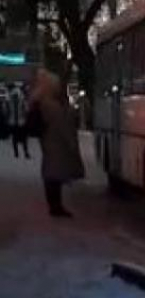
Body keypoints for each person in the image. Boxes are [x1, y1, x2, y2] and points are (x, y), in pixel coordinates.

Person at [27, 69, 85, 217]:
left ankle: (54, 205)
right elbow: (62, 125)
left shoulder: (39, 102)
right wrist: (71, 143)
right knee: (55, 174)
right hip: (56, 142)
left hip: (47, 141)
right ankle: (56, 207)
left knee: (50, 173)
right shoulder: (51, 106)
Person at [8, 81, 30, 159]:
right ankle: (20, 153)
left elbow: (26, 110)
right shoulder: (13, 101)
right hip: (17, 121)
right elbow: (26, 110)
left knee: (19, 138)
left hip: (18, 121)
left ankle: (21, 153)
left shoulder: (15, 101)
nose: (15, 98)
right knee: (18, 139)